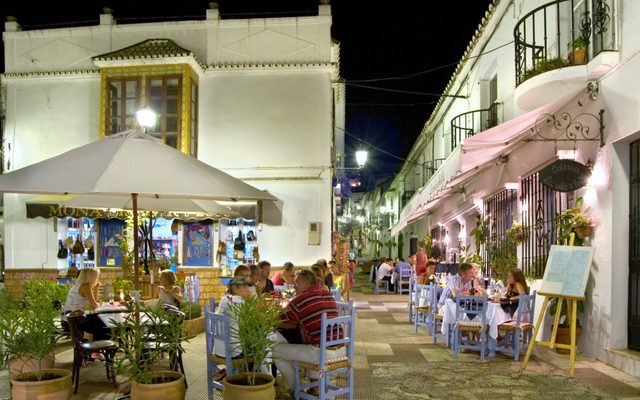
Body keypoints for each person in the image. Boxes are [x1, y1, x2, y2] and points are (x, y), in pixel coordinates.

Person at [273, 270, 344, 391]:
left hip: (322, 353)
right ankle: (315, 389)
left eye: (297, 282)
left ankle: (295, 389)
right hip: (341, 350)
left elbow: (281, 320)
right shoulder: (326, 293)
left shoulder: (300, 300)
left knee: (276, 350)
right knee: (308, 343)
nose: (294, 285)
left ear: (306, 283)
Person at [61, 268, 111, 340]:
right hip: (74, 322)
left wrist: (97, 288)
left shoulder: (79, 285)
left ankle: (98, 344)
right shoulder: (85, 287)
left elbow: (94, 302)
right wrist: (99, 304)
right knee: (103, 324)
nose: (97, 279)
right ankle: (99, 345)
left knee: (98, 319)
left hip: (68, 320)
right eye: (96, 277)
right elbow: (94, 305)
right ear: (91, 277)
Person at [213, 277, 253, 358]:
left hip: (219, 349)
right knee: (263, 346)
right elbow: (250, 322)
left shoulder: (225, 299)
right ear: (235, 289)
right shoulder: (239, 301)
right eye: (245, 287)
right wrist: (250, 298)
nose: (248, 289)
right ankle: (261, 371)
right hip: (234, 350)